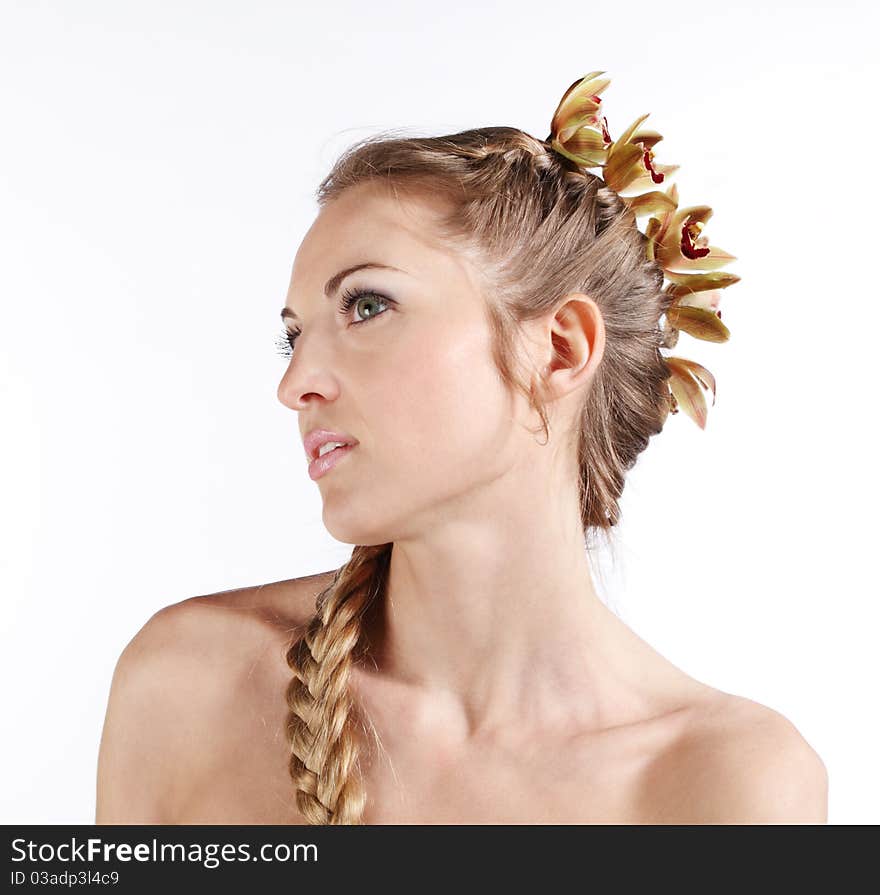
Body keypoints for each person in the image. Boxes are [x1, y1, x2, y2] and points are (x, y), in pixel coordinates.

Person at [96, 72, 828, 825]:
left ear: (561, 349)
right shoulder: (189, 683)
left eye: (367, 304)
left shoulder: (729, 784)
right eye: (294, 334)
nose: (296, 383)